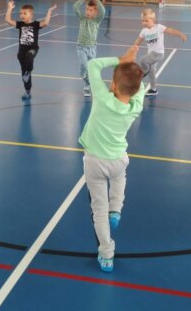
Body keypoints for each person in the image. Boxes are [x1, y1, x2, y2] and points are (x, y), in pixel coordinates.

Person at [78, 46, 145, 272]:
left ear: (113, 85)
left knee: (99, 211)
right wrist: (132, 68)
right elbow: (140, 87)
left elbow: (93, 64)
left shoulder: (102, 98)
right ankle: (116, 208)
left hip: (94, 162)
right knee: (119, 178)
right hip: (117, 159)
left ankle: (106, 254)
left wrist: (121, 59)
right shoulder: (136, 106)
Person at [5, 0, 57, 100]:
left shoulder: (35, 24)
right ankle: (27, 91)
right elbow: (8, 20)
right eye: (20, 13)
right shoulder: (20, 24)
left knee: (29, 57)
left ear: (31, 15)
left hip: (32, 48)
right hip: (21, 51)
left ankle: (28, 72)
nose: (22, 15)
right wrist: (9, 8)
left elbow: (46, 23)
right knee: (23, 72)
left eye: (25, 13)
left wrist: (49, 11)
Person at [133, 8, 187, 96]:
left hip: (158, 53)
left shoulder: (159, 27)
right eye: (143, 21)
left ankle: (144, 71)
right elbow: (138, 41)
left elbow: (170, 30)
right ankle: (153, 89)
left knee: (142, 60)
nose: (144, 23)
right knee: (152, 72)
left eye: (146, 21)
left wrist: (180, 34)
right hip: (151, 55)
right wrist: (133, 49)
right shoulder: (144, 31)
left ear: (153, 20)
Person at [73, 0, 106, 97]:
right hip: (81, 47)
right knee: (83, 66)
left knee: (91, 68)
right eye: (87, 9)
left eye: (91, 10)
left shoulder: (97, 21)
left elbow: (103, 11)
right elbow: (75, 7)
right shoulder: (82, 19)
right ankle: (88, 82)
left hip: (92, 48)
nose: (88, 12)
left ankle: (87, 86)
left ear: (95, 12)